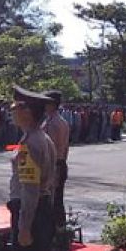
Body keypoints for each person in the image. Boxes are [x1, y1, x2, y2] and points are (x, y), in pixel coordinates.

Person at [7, 85, 58, 251]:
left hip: (31, 213)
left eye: (16, 106)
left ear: (28, 112)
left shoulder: (30, 143)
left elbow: (29, 189)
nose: (12, 110)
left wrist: (24, 226)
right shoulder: (43, 138)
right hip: (43, 210)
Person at [43, 90, 71, 231]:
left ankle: (57, 233)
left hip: (54, 165)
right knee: (56, 201)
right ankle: (59, 231)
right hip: (60, 163)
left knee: (54, 202)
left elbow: (52, 148)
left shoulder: (54, 123)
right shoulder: (59, 121)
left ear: (52, 104)